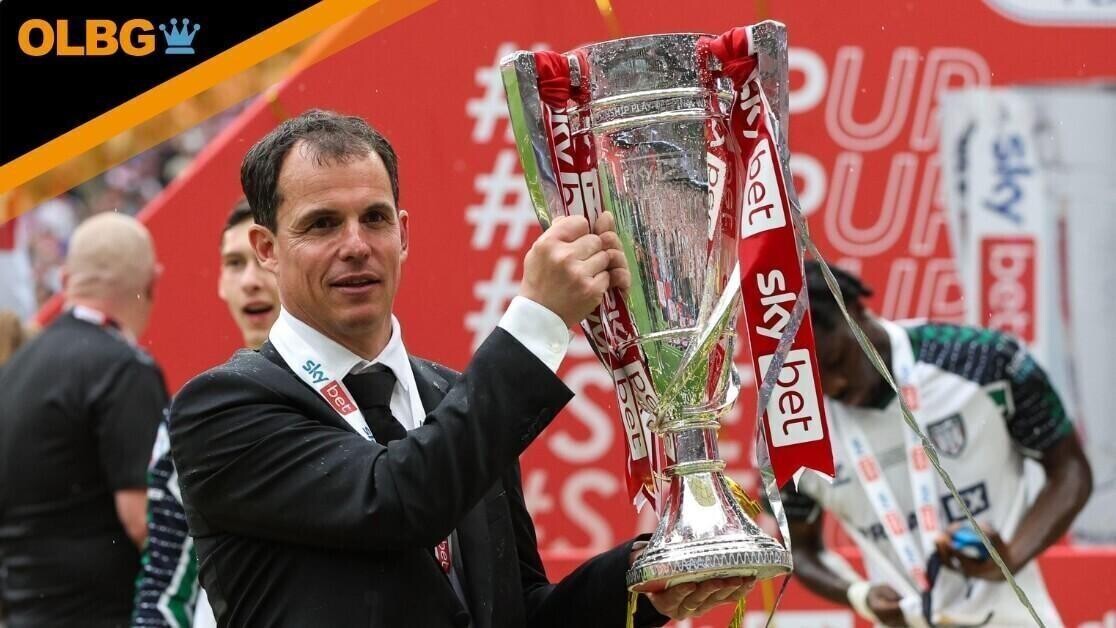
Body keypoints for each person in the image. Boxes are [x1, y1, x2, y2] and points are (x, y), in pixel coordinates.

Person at [167, 109, 753, 627]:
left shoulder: (451, 395)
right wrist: (538, 321)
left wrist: (639, 581)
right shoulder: (222, 408)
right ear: (267, 249)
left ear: (404, 234)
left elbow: (518, 610)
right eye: (321, 224)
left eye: (374, 219)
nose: (355, 245)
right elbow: (397, 501)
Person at [783, 261, 1093, 627]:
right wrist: (858, 596)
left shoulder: (982, 360)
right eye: (815, 381)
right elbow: (798, 547)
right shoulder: (792, 429)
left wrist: (1009, 559)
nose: (834, 386)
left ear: (854, 310)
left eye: (835, 360)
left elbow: (1071, 470)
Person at [0, 212, 167, 628]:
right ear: (150, 283)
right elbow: (142, 518)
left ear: (68, 277)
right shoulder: (124, 368)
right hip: (105, 613)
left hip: (26, 609)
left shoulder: (16, 369)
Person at [132, 199, 279, 627]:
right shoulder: (191, 416)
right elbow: (165, 579)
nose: (250, 280)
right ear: (219, 282)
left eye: (262, 259)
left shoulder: (367, 392)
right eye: (234, 263)